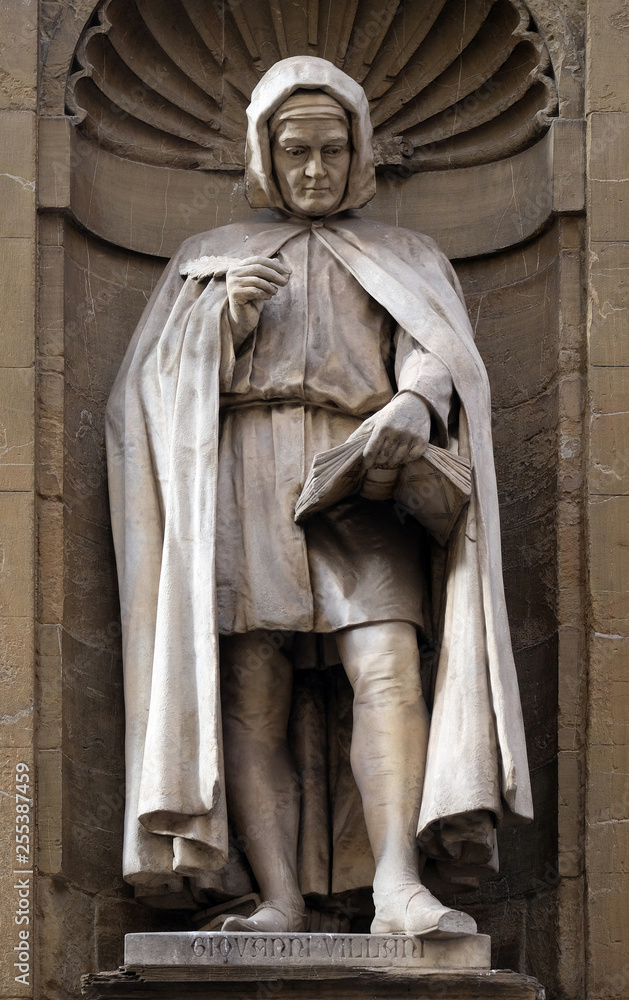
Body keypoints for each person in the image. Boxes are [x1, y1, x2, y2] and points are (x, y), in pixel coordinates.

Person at [106, 56, 533, 938]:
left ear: (358, 150)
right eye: (294, 151)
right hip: (245, 471)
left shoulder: (406, 256)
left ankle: (396, 885)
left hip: (360, 474)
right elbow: (141, 398)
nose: (312, 170)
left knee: (387, 665)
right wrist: (221, 323)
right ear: (264, 154)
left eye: (330, 150)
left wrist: (415, 401)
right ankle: (279, 898)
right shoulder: (210, 258)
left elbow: (437, 349)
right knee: (251, 685)